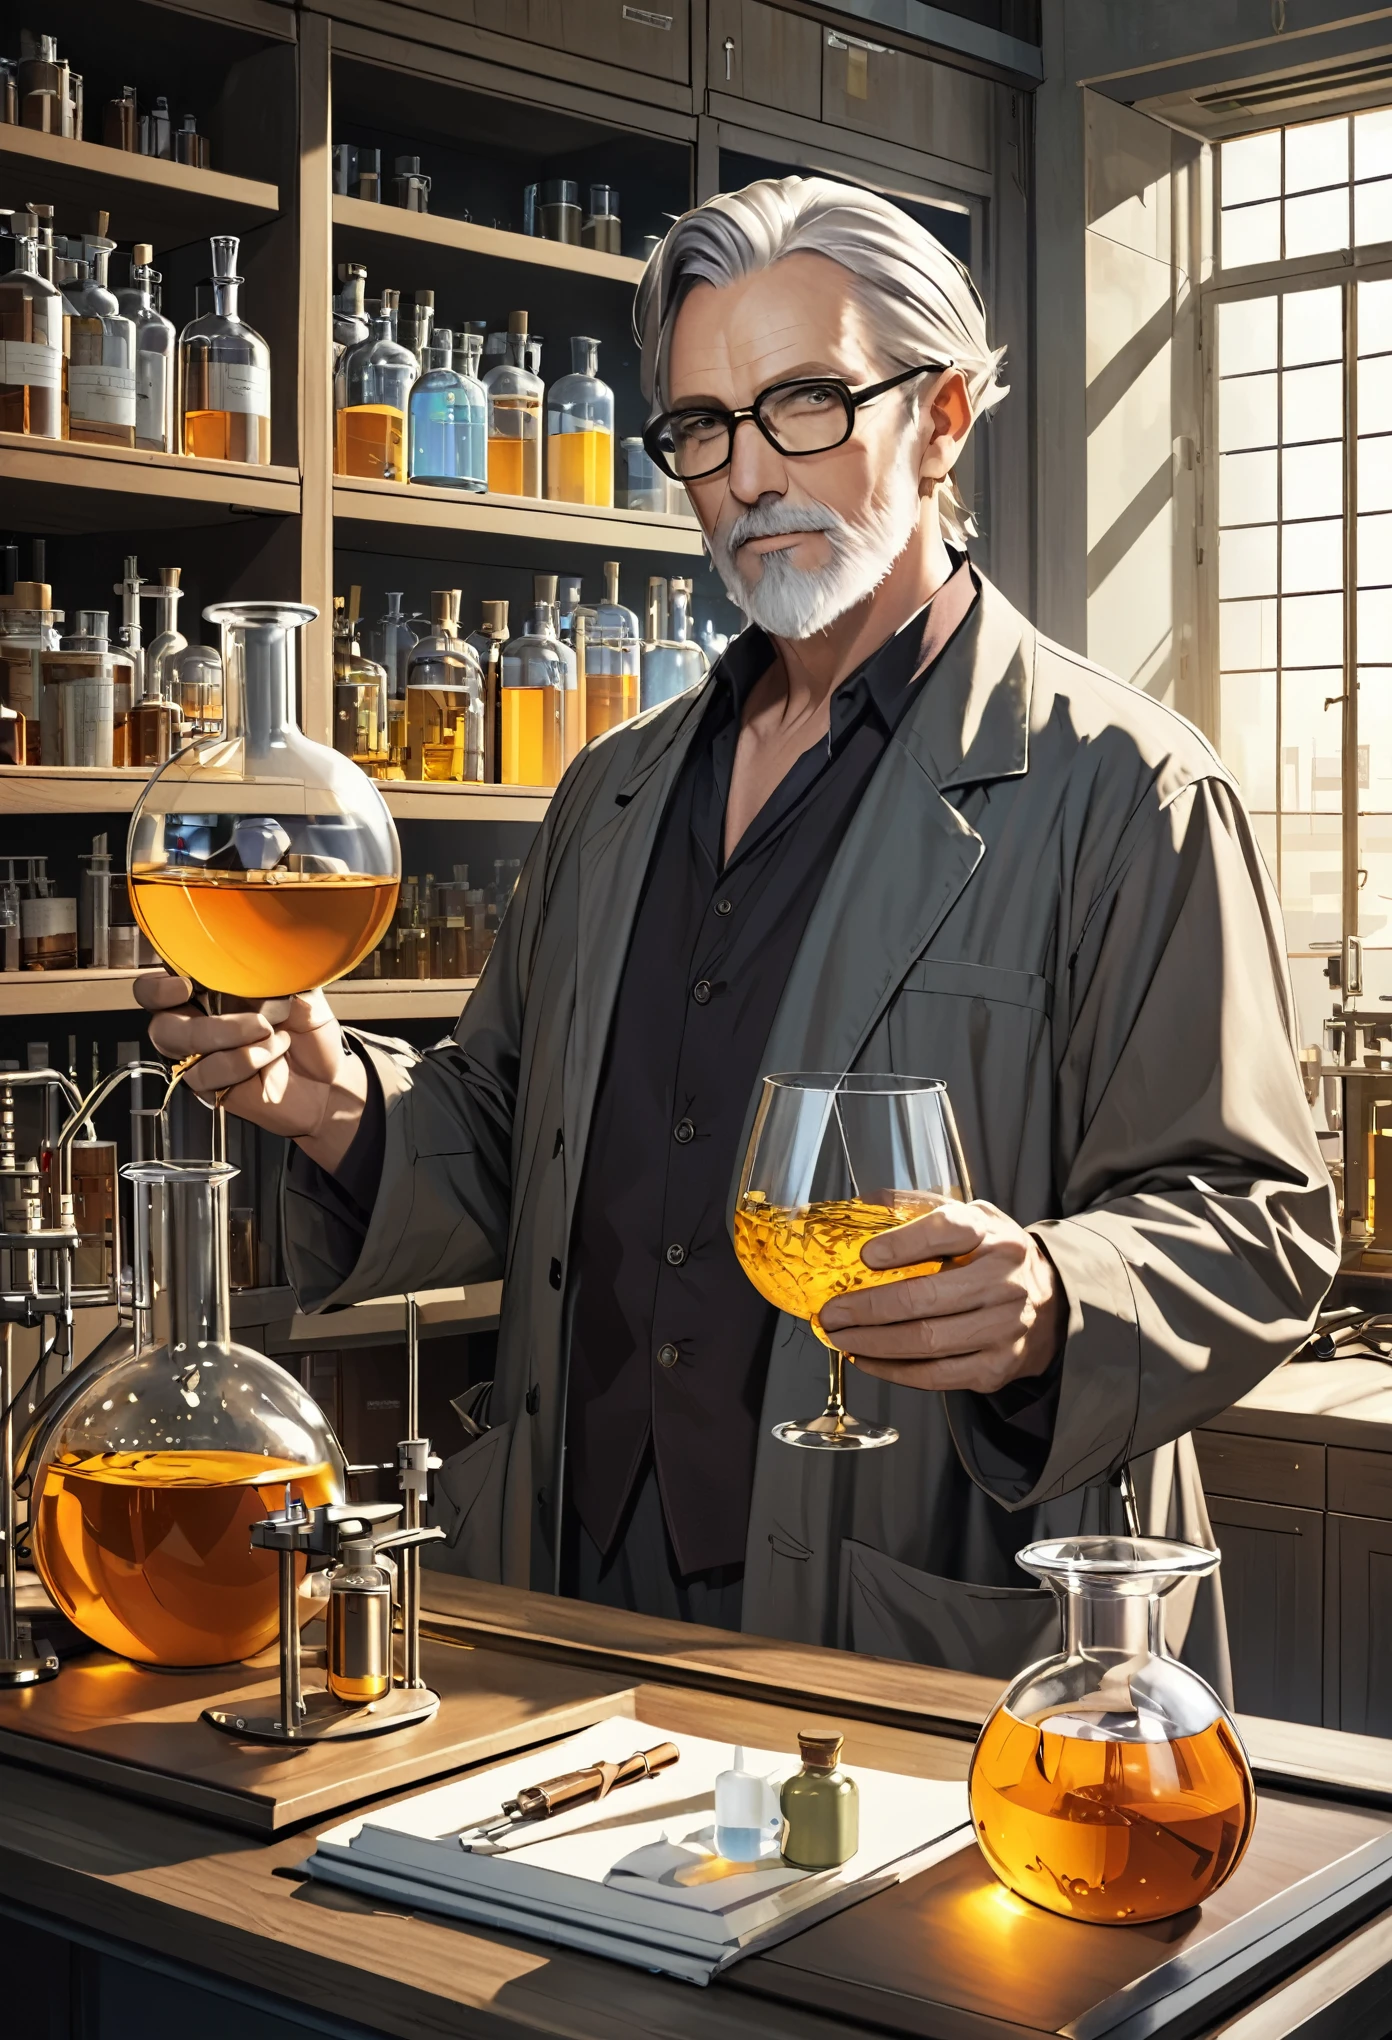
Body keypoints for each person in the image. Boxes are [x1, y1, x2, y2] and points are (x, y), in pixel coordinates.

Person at [137, 176, 1338, 1691]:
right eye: (702, 427)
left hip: (916, 1604)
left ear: (946, 415)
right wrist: (336, 1106)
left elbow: (1260, 1220)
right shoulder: (613, 788)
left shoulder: (1129, 793)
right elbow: (520, 1142)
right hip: (572, 1588)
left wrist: (1053, 1292)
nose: (748, 472)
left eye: (805, 406)